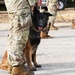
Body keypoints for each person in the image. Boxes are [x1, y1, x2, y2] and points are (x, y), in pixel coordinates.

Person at [4, 0, 38, 75]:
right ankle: (17, 67)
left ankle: (12, 64)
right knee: (20, 36)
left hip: (13, 5)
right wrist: (32, 2)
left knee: (13, 34)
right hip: (21, 5)